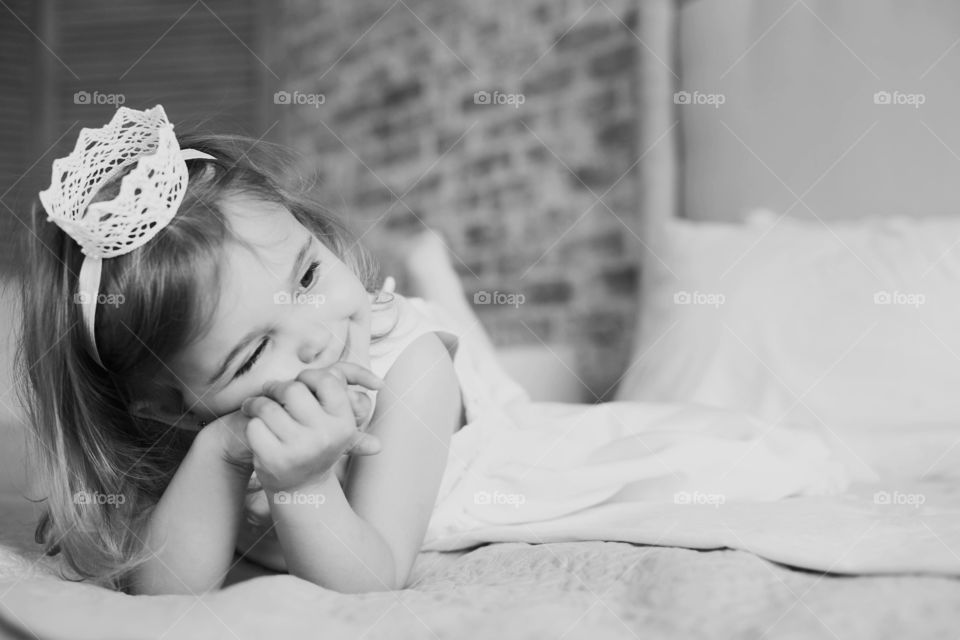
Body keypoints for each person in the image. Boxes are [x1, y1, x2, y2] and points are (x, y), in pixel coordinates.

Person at [17, 105, 849, 596]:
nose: (315, 338)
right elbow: (168, 597)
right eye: (249, 355)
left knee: (669, 454)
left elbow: (370, 579)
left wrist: (303, 483)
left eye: (307, 275)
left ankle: (439, 284)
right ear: (165, 404)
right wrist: (219, 452)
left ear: (320, 235)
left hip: (483, 454)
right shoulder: (195, 434)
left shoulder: (401, 361)